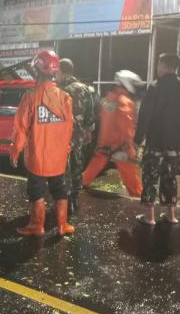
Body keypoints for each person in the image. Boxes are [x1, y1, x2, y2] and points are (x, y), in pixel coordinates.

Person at [10, 49, 75, 236]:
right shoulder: (65, 98)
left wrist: (15, 150)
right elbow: (69, 128)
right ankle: (63, 225)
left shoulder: (30, 97)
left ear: (37, 70)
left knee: (37, 190)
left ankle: (37, 226)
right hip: (59, 157)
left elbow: (21, 128)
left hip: (37, 156)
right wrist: (65, 149)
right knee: (59, 189)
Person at [134, 54, 180, 225]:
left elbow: (145, 115)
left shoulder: (156, 87)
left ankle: (150, 217)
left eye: (158, 64)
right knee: (170, 178)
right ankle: (171, 216)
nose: (158, 67)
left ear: (163, 64)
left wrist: (138, 139)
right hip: (176, 145)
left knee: (150, 178)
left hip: (155, 142)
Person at [82, 70, 144, 198]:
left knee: (87, 175)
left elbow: (103, 120)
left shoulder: (108, 98)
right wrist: (130, 148)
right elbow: (126, 127)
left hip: (104, 144)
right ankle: (139, 201)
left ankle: (75, 190)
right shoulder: (125, 101)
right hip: (120, 146)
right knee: (134, 184)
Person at [56, 58, 98, 217]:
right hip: (79, 136)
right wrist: (89, 131)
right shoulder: (85, 89)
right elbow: (90, 114)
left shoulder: (61, 90)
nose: (55, 75)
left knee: (64, 167)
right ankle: (75, 198)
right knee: (77, 165)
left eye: (56, 72)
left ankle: (66, 201)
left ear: (62, 72)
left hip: (64, 136)